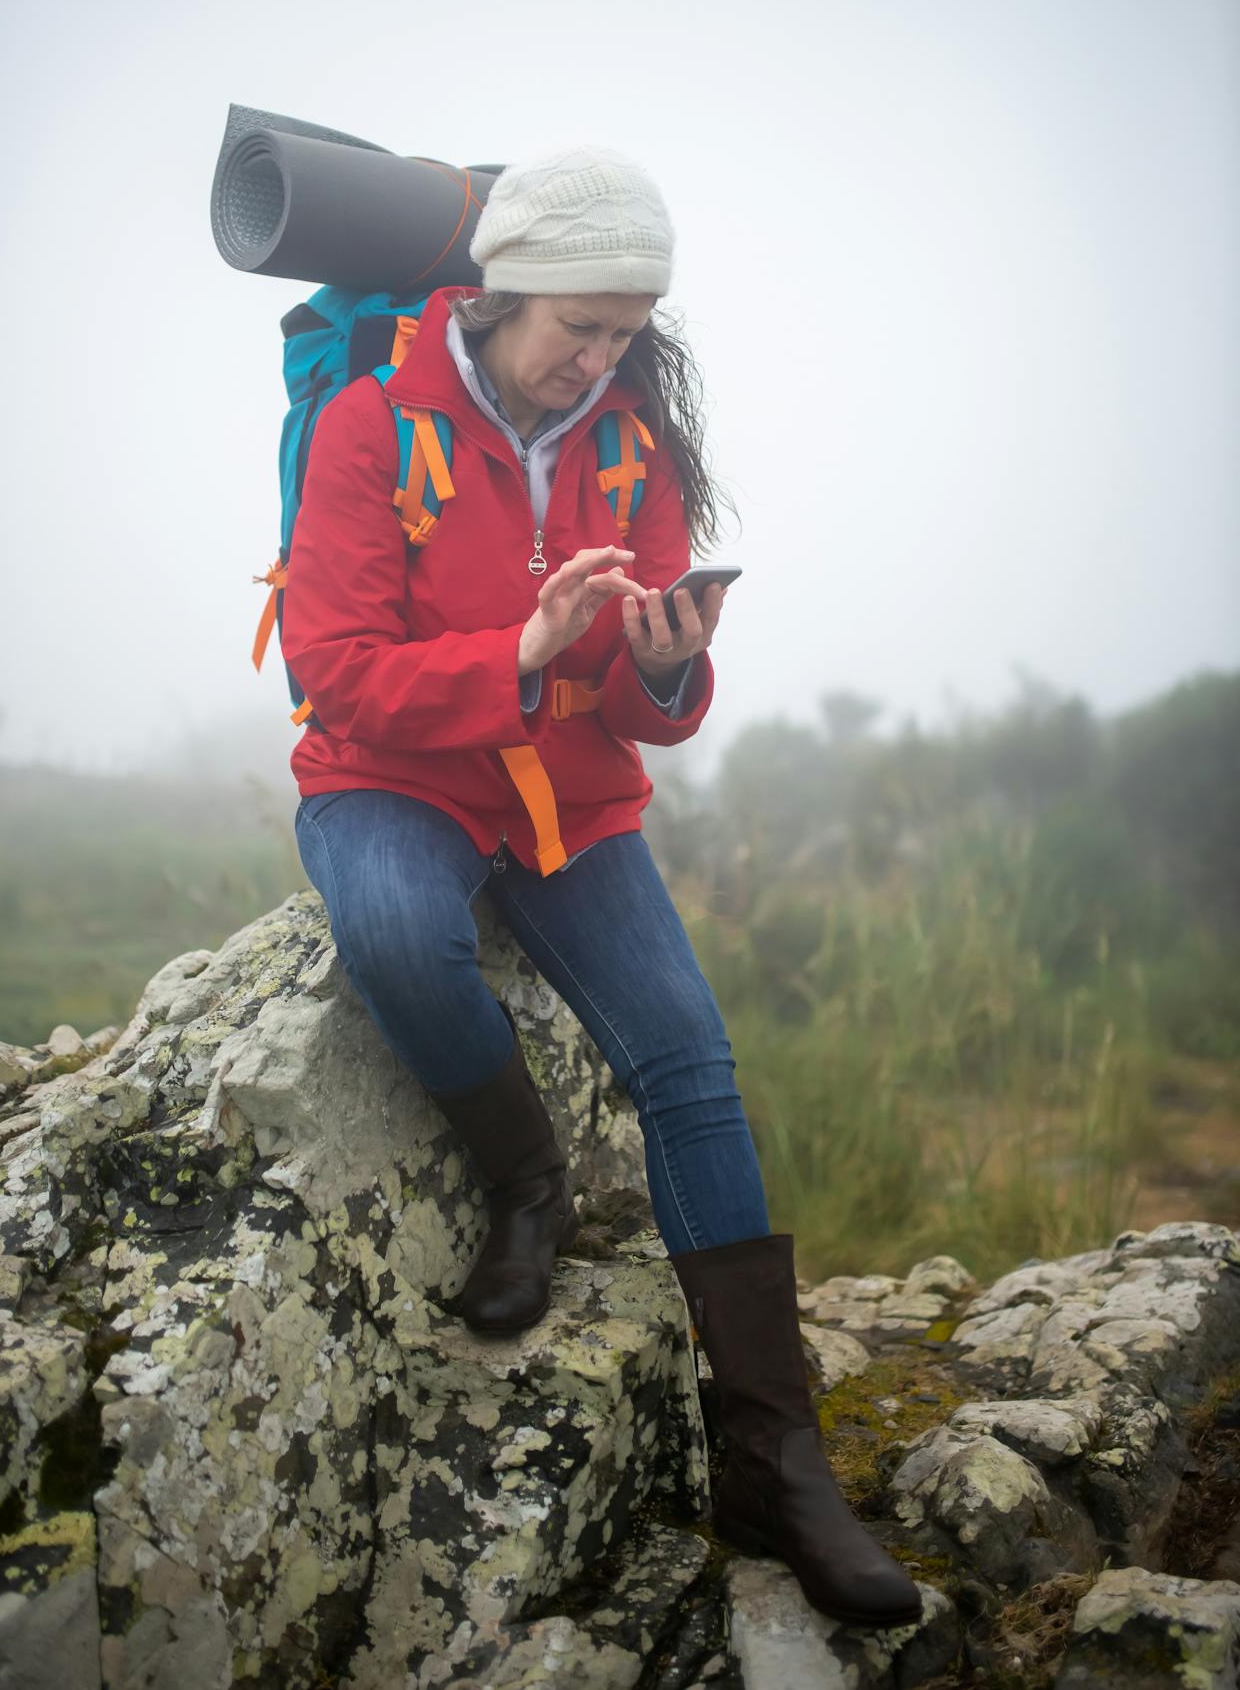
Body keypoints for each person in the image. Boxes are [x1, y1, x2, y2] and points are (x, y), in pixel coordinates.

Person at [281, 145, 922, 1630]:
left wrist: (665, 662)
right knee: (393, 925)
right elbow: (340, 678)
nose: (598, 359)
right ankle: (527, 1183)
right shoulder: (377, 425)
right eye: (580, 324)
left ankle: (776, 1455)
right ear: (499, 290)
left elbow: (647, 714)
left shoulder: (636, 448)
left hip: (570, 796)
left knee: (691, 1060)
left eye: (626, 333)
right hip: (396, 779)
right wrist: (511, 655)